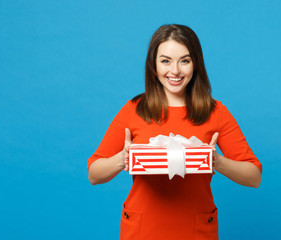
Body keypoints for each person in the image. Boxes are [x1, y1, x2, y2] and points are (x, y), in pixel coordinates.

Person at [88, 24, 262, 240]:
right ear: (153, 65)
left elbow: (254, 177)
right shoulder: (134, 109)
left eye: (185, 61)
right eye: (165, 61)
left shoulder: (215, 112)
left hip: (195, 229)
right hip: (143, 229)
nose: (175, 71)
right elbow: (94, 175)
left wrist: (216, 161)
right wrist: (123, 159)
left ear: (195, 63)